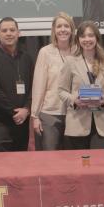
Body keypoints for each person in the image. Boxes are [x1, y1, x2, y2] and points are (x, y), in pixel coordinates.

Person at [58, 21, 104, 149]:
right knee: (78, 167)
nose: (87, 39)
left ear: (97, 38)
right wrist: (74, 100)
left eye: (91, 35)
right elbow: (61, 91)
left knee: (99, 167)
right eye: (83, 36)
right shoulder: (70, 61)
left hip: (101, 126)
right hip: (76, 124)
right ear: (78, 39)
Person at [0, 17, 33, 151]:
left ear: (18, 33)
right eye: (4, 30)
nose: (8, 33)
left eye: (12, 30)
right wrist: (14, 112)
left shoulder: (26, 58)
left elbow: (34, 87)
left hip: (22, 123)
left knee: (20, 166)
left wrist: (26, 109)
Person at [31, 12, 76, 150]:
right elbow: (39, 85)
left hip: (75, 114)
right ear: (54, 30)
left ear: (72, 29)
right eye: (59, 26)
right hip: (50, 114)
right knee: (50, 160)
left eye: (66, 26)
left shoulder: (79, 51)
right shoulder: (45, 52)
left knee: (71, 159)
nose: (63, 29)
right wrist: (35, 116)